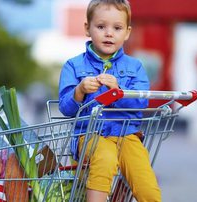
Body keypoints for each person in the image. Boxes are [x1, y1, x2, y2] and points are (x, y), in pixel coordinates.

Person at [58, 0, 161, 201]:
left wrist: (119, 91)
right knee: (105, 159)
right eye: (101, 26)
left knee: (145, 181)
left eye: (117, 28)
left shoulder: (136, 67)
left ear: (127, 32)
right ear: (88, 29)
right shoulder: (73, 66)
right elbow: (66, 108)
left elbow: (142, 102)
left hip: (128, 135)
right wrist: (79, 91)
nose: (109, 33)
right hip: (89, 136)